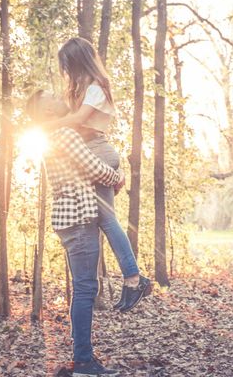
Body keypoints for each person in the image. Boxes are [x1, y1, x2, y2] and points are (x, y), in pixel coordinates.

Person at [40, 37, 151, 312]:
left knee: (107, 221)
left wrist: (46, 125)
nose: (66, 72)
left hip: (98, 150)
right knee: (105, 220)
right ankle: (134, 279)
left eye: (68, 65)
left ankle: (135, 279)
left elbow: (78, 120)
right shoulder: (85, 88)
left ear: (78, 61)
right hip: (94, 150)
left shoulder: (97, 87)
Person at [27, 90, 122, 376]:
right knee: (85, 289)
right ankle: (83, 363)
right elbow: (95, 169)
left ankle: (83, 360)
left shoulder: (52, 136)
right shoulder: (65, 135)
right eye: (51, 97)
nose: (59, 97)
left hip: (71, 221)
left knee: (84, 288)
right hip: (78, 220)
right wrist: (119, 177)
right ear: (46, 112)